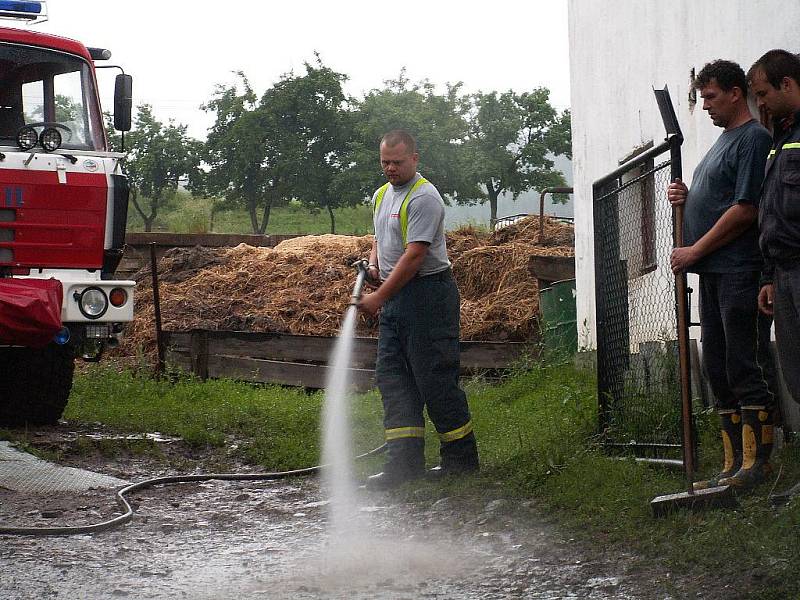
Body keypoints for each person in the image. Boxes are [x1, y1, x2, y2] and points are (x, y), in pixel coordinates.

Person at [667, 60, 775, 490]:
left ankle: (758, 464)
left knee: (743, 361)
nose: (706, 106)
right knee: (716, 364)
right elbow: (719, 200)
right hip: (712, 274)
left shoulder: (752, 139)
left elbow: (745, 209)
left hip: (740, 271)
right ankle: (732, 463)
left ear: (735, 93)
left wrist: (695, 248)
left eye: (710, 97)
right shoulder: (721, 143)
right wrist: (687, 197)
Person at [357, 129, 479, 490]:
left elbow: (414, 257)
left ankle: (461, 460)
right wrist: (374, 266)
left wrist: (378, 298)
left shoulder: (424, 198)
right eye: (385, 162)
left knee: (434, 379)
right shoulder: (382, 195)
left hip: (428, 296)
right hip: (398, 295)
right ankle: (404, 464)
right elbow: (381, 238)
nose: (390, 169)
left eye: (396, 162)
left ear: (414, 158)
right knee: (393, 379)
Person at [748, 49, 800, 504]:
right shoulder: (777, 138)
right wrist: (768, 274)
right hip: (783, 275)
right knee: (796, 373)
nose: (759, 103)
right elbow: (770, 211)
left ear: (788, 85)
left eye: (763, 93)